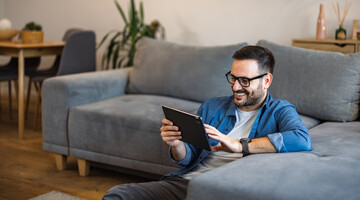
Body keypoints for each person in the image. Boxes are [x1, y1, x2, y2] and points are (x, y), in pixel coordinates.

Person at [103, 45, 312, 200]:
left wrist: (240, 145)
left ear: (266, 81)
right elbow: (188, 158)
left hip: (225, 191)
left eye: (245, 81)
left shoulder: (279, 111)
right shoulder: (212, 107)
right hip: (187, 184)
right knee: (118, 195)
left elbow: (301, 139)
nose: (236, 87)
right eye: (233, 77)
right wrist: (177, 145)